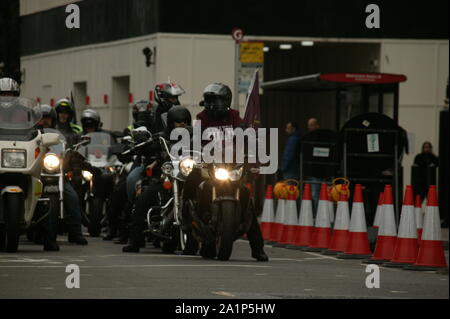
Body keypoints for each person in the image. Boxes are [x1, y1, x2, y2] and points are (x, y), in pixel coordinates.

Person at [183, 83, 269, 262]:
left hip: (230, 164)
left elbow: (243, 134)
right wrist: (192, 143)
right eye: (209, 100)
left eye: (216, 99)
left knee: (245, 197)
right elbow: (196, 137)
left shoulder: (234, 116)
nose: (212, 104)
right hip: (208, 163)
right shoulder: (201, 117)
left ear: (226, 100)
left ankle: (258, 248)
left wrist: (249, 143)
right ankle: (186, 221)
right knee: (192, 181)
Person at [122, 105, 192, 252]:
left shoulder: (194, 138)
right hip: (165, 178)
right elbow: (148, 147)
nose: (183, 124)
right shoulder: (162, 137)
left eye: (185, 121)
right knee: (143, 199)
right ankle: (135, 240)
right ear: (171, 122)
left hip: (188, 179)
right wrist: (143, 143)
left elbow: (208, 147)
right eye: (179, 121)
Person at [38, 105, 88, 246]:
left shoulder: (59, 136)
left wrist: (69, 157)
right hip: (37, 175)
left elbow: (67, 152)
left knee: (72, 197)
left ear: (52, 120)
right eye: (42, 118)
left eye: (47, 118)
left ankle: (75, 233)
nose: (44, 121)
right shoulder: (32, 134)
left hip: (56, 174)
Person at [306, 118, 323, 213]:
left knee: (317, 194)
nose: (309, 127)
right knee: (314, 194)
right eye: (309, 125)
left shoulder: (319, 138)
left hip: (318, 171)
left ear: (317, 125)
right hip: (313, 171)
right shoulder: (308, 138)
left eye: (311, 125)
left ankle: (317, 215)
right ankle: (316, 215)